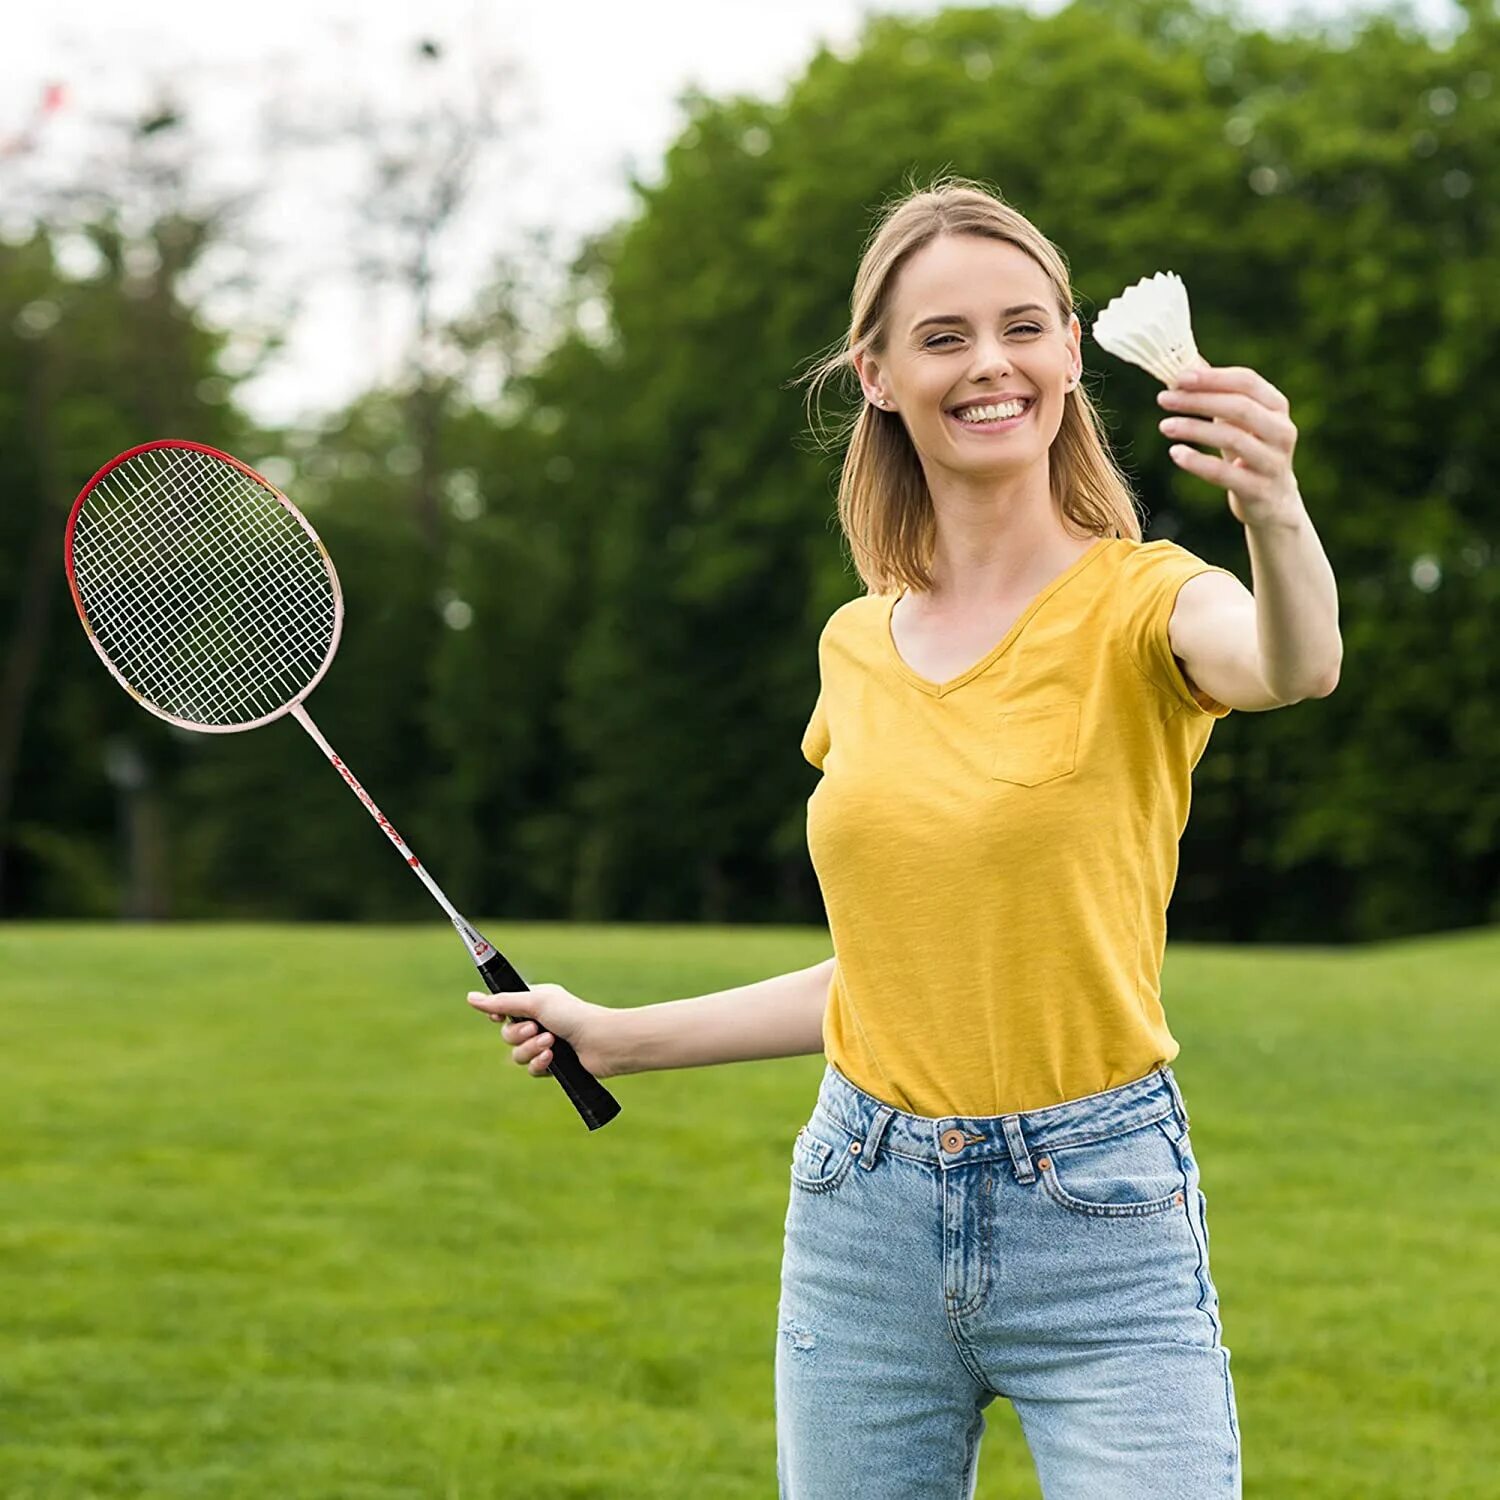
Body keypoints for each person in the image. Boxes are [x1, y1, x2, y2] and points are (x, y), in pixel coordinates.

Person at [466, 176, 1342, 1498]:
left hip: (1100, 1212)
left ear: (1065, 353)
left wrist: (1273, 509)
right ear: (877, 375)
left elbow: (1298, 662)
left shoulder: (1152, 605)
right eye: (943, 337)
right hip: (861, 1213)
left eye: (1023, 326)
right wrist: (616, 1032)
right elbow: (890, 971)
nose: (991, 364)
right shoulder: (856, 642)